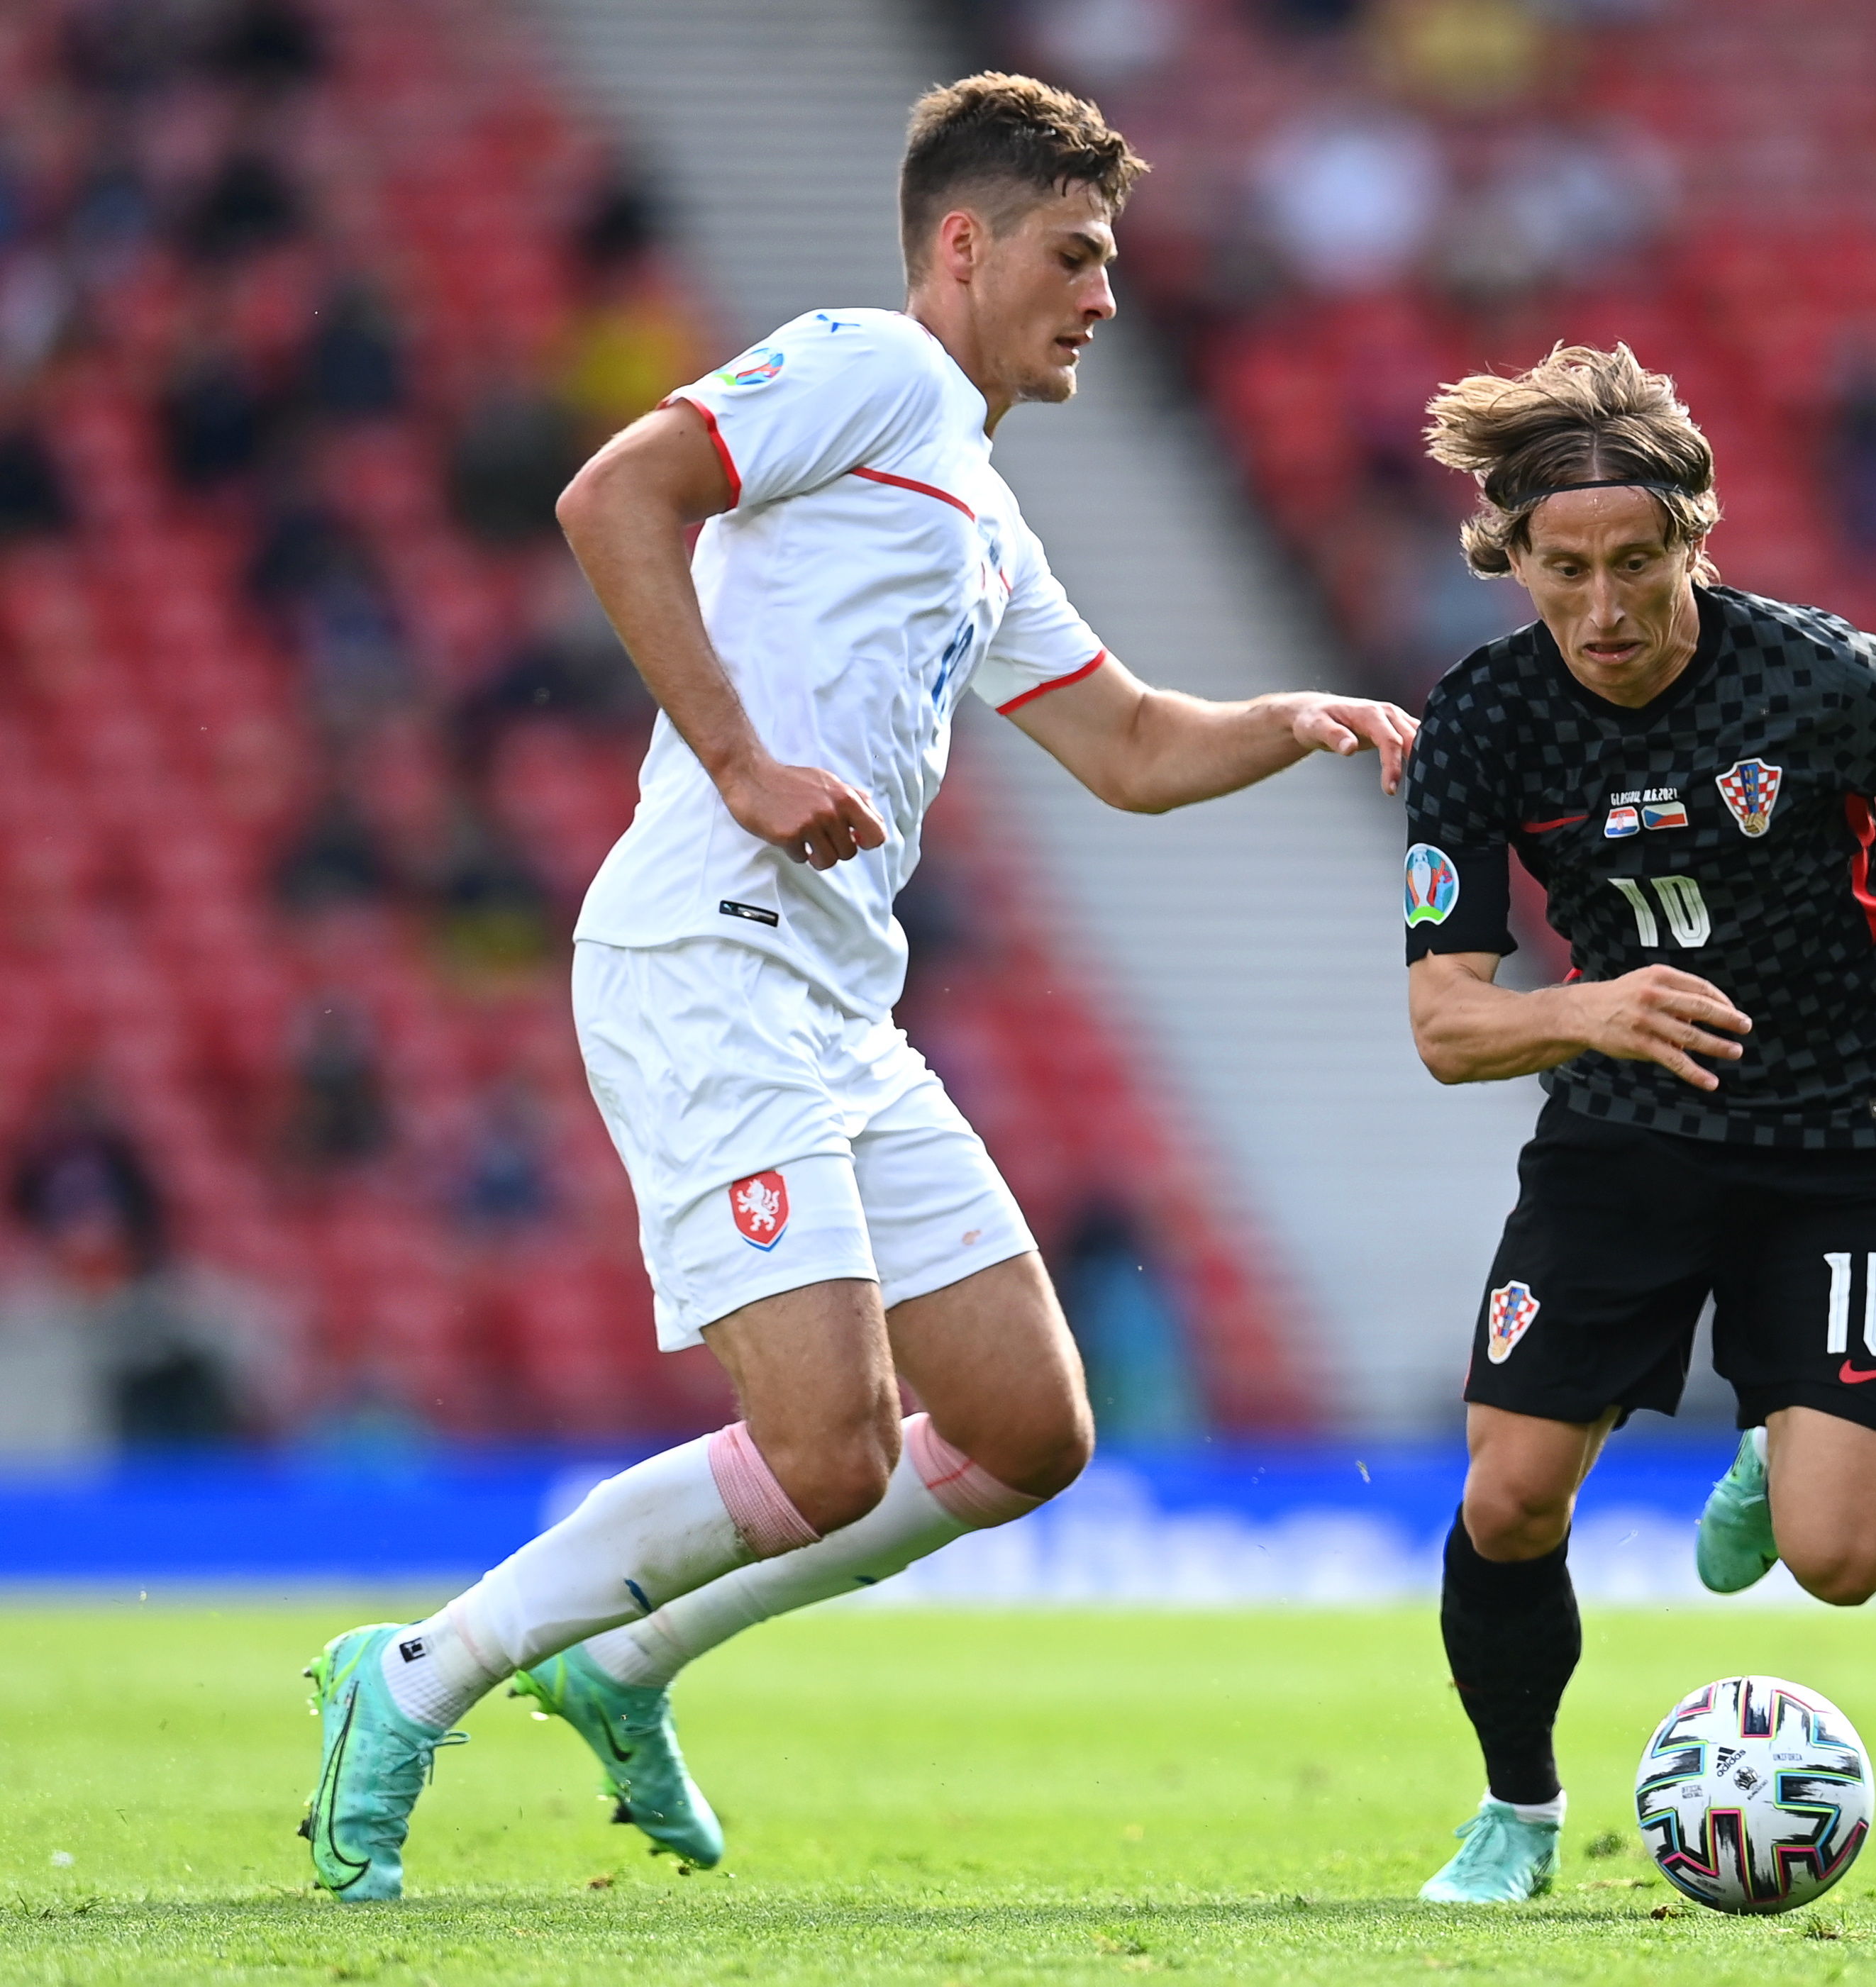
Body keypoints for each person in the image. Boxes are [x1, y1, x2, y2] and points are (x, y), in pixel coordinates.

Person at [299, 72, 1417, 1902]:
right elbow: (616, 493)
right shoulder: (866, 367)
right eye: (1077, 254)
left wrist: (1289, 724)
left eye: (1116, 261)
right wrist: (741, 764)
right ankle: (411, 1677)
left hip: (836, 1006)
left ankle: (627, 1658)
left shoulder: (974, 499)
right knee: (823, 1449)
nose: (1105, 296)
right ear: (962, 247)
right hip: (706, 957)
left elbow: (1127, 745)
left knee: (1031, 1429)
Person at [1397, 345, 1876, 1903]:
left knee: (1840, 1562)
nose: (1602, 608)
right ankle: (1517, 1813)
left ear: (1694, 543)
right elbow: (1448, 1021)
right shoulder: (1482, 725)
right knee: (1509, 1494)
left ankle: (1775, 1429)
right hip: (1628, 1114)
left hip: (1846, 1116)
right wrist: (1585, 1011)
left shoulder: (1822, 678)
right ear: (1515, 562)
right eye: (1564, 572)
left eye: (1634, 564)